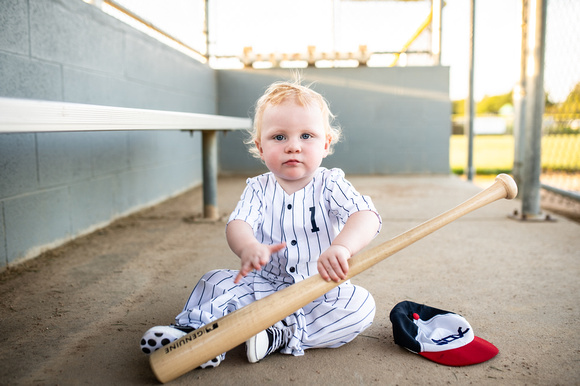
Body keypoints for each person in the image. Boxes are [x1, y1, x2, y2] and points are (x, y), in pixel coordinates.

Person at [140, 77, 382, 368]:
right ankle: (195, 335)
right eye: (279, 137)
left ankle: (280, 334)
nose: (293, 146)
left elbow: (365, 216)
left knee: (359, 306)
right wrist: (248, 247)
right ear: (260, 146)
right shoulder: (258, 188)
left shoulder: (330, 184)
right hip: (264, 284)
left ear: (326, 144)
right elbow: (238, 223)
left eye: (307, 136)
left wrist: (342, 247)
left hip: (319, 290)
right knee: (214, 282)